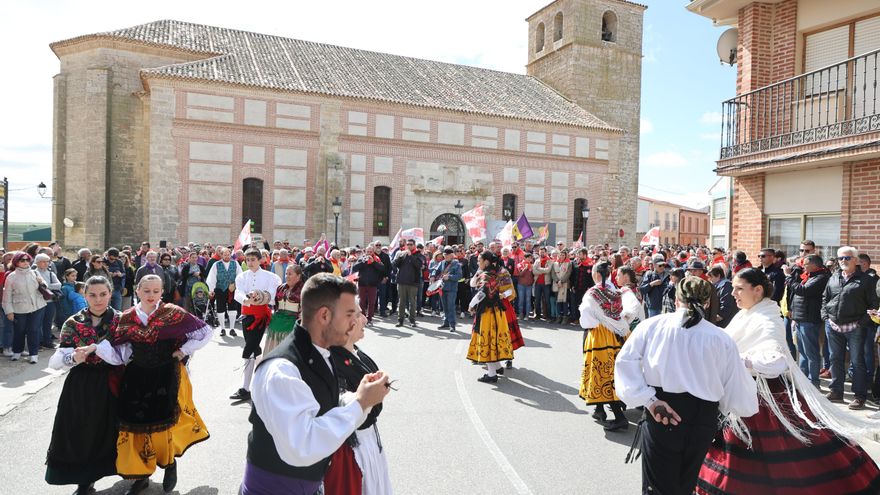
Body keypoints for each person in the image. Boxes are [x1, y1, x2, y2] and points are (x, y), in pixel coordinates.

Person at [696, 268, 880, 494]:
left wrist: (737, 359)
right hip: (744, 392)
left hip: (766, 398)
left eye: (739, 288)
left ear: (758, 290)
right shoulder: (748, 312)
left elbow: (776, 362)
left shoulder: (767, 319)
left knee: (784, 458)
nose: (733, 293)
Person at [239, 274, 391, 494]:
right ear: (325, 315)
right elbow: (302, 445)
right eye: (350, 314)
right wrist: (360, 402)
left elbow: (318, 405)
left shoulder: (320, 352)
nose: (357, 321)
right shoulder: (282, 371)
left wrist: (356, 395)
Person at [615, 277, 759, 495]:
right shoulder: (721, 338)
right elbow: (737, 388)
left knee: (659, 487)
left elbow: (625, 363)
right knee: (686, 483)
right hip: (702, 416)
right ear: (708, 303)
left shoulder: (652, 326)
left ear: (676, 298)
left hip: (662, 411)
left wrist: (649, 401)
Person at [78, 274, 212, 494]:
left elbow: (205, 332)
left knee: (163, 423)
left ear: (162, 293)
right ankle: (140, 476)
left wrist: (183, 351)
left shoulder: (173, 313)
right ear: (137, 290)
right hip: (137, 376)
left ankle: (169, 464)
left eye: (156, 291)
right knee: (134, 426)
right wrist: (95, 349)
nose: (151, 295)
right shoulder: (127, 317)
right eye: (146, 291)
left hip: (166, 374)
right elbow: (120, 352)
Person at [45, 276, 121, 495]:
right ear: (84, 295)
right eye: (92, 295)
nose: (98, 300)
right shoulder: (73, 322)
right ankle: (84, 480)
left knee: (115, 431)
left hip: (113, 381)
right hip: (81, 385)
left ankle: (135, 473)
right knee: (81, 431)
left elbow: (128, 354)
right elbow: (57, 361)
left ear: (110, 293)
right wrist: (74, 359)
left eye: (103, 294)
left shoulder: (121, 320)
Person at [325, 311, 393, 495]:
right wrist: (362, 399)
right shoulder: (332, 361)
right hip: (353, 452)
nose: (364, 319)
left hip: (369, 442)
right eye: (357, 313)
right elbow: (339, 401)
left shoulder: (355, 351)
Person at [578, 261, 639, 431]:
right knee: (614, 372)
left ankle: (619, 417)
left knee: (604, 373)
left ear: (597, 274)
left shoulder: (592, 293)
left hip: (600, 336)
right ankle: (599, 410)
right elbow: (630, 309)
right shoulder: (617, 290)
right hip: (620, 335)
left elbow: (586, 318)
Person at [822, 246, 879, 409]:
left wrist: (861, 323)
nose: (843, 261)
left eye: (847, 258)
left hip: (855, 327)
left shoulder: (866, 280)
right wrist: (825, 317)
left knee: (857, 361)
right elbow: (825, 298)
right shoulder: (834, 276)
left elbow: (874, 304)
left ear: (855, 260)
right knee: (835, 359)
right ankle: (836, 392)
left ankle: (860, 395)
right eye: (841, 258)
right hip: (833, 325)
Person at [230, 248, 282, 402]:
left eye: (253, 259)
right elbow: (237, 293)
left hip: (261, 316)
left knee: (249, 349)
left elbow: (273, 296)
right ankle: (261, 380)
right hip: (246, 314)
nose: (250, 262)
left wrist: (260, 296)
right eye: (248, 260)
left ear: (260, 260)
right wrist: (246, 299)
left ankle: (245, 388)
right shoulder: (242, 276)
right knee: (254, 347)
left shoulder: (271, 277)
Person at [467, 251, 515, 383]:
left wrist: (471, 305)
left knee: (487, 340)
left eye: (479, 260)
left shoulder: (489, 274)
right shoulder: (491, 273)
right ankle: (497, 367)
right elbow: (472, 283)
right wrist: (478, 270)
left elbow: (482, 293)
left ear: (486, 261)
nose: (478, 262)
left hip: (488, 312)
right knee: (493, 339)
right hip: (496, 311)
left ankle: (492, 373)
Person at [787, 253, 830, 387]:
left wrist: (789, 277)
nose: (803, 266)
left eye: (805, 264)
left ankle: (813, 382)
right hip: (800, 318)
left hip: (809, 319)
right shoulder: (809, 276)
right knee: (802, 352)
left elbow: (803, 290)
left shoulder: (821, 277)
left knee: (811, 353)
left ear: (814, 265)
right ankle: (803, 380)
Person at [3, 252, 48, 363]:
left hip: (38, 306)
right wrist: (9, 311)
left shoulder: (34, 272)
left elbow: (45, 286)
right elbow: (6, 296)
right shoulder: (11, 276)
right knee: (19, 330)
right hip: (19, 308)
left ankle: (33, 354)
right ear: (16, 262)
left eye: (27, 260)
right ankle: (17, 351)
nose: (25, 262)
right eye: (22, 260)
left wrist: (42, 282)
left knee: (34, 330)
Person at [263, 264, 303, 355]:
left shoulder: (303, 289)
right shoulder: (281, 288)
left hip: (293, 321)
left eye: (290, 274)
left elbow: (305, 309)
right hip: (277, 320)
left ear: (298, 276)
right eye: (286, 273)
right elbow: (275, 305)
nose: (287, 276)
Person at [206, 247, 243, 337]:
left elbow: (240, 275)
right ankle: (222, 328)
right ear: (221, 255)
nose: (227, 256)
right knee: (220, 308)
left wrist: (236, 285)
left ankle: (232, 328)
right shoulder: (216, 264)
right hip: (220, 289)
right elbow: (212, 278)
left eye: (228, 254)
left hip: (232, 289)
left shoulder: (235, 263)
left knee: (233, 309)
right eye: (224, 254)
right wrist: (211, 290)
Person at [34, 253, 62, 349]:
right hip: (38, 301)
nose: (46, 263)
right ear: (37, 263)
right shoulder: (33, 273)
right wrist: (46, 285)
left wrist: (45, 285)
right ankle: (38, 342)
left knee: (48, 322)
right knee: (37, 323)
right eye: (43, 261)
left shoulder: (51, 273)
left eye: (47, 261)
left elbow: (59, 285)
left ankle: (47, 341)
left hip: (50, 301)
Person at [352, 246, 386, 325]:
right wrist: (362, 262)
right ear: (365, 252)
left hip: (373, 284)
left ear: (373, 252)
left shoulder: (377, 259)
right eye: (368, 251)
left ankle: (369, 318)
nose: (369, 253)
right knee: (362, 302)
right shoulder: (361, 259)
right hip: (362, 284)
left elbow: (382, 268)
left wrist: (373, 262)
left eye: (371, 251)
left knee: (372, 302)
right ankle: (363, 317)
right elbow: (354, 268)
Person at [392, 239, 423, 328]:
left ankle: (412, 320)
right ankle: (400, 320)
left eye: (411, 244)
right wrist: (399, 256)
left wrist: (411, 256)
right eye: (408, 244)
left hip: (413, 282)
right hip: (402, 281)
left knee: (412, 302)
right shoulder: (402, 253)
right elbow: (394, 264)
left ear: (414, 245)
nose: (409, 246)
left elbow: (419, 265)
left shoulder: (418, 254)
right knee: (401, 302)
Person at [432, 247, 462, 332]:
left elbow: (459, 276)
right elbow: (435, 270)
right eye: (444, 255)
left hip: (451, 289)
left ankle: (452, 324)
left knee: (451, 306)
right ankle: (446, 322)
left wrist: (449, 277)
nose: (445, 256)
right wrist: (432, 276)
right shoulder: (441, 263)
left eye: (447, 255)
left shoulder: (457, 264)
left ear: (452, 255)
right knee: (444, 307)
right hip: (442, 287)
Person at [639, 254, 669, 318]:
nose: (662, 267)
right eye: (660, 265)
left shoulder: (668, 275)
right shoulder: (649, 274)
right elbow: (642, 289)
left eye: (664, 265)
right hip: (654, 307)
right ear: (654, 265)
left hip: (666, 305)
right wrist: (652, 284)